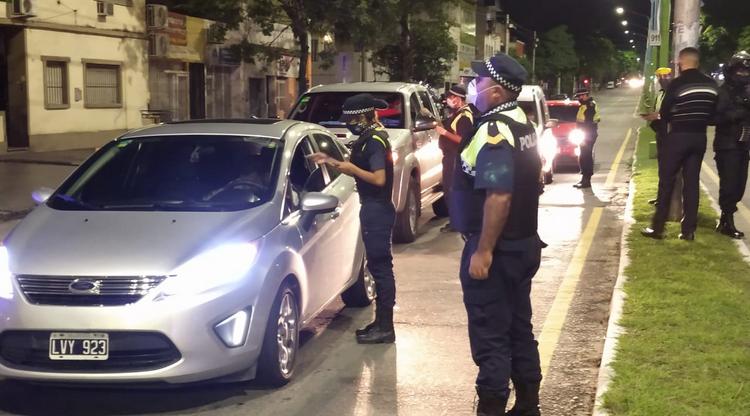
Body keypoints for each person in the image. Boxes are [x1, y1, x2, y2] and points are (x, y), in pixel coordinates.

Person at [452, 53, 544, 416]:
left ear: (495, 91)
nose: (473, 87)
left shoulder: (494, 131)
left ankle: (491, 406)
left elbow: (499, 194)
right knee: (519, 327)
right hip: (523, 244)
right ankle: (528, 405)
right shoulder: (522, 123)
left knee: (491, 334)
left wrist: (484, 250)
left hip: (498, 250)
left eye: (479, 82)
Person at [311, 94, 397, 344]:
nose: (348, 124)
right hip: (372, 208)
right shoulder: (368, 139)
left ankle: (386, 327)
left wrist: (352, 169)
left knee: (381, 269)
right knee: (377, 267)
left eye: (351, 119)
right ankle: (380, 323)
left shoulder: (375, 142)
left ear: (362, 117)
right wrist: (330, 161)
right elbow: (357, 170)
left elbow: (378, 179)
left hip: (377, 210)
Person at [642, 47, 719, 241]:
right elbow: (714, 114)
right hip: (699, 138)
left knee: (667, 181)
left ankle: (658, 228)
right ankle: (688, 231)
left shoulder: (677, 83)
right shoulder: (711, 84)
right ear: (697, 62)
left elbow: (665, 112)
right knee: (691, 183)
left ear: (681, 62)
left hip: (678, 137)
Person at [713, 51, 750, 239]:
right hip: (727, 146)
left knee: (739, 185)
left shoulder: (746, 91)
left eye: (746, 71)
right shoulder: (723, 92)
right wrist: (735, 115)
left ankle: (725, 219)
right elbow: (713, 117)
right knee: (729, 185)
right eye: (740, 71)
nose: (744, 74)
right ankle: (727, 221)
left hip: (743, 145)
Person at [435, 84, 475, 233]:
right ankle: (456, 221)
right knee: (451, 189)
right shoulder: (459, 113)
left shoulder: (464, 116)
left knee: (452, 189)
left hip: (455, 157)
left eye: (452, 97)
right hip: (452, 157)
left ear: (459, 99)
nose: (449, 100)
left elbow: (462, 139)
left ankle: (456, 223)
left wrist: (444, 133)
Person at [642, 67, 674, 205]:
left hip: (670, 135)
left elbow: (670, 112)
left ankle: (667, 199)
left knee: (668, 168)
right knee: (662, 168)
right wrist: (650, 115)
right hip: (661, 133)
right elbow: (657, 110)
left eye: (664, 77)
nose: (661, 80)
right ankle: (661, 197)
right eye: (660, 77)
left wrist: (657, 116)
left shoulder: (673, 94)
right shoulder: (660, 94)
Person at [573, 88, 601, 189]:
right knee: (583, 156)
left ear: (585, 95)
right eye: (578, 97)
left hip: (588, 134)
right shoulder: (584, 105)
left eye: (580, 96)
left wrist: (584, 138)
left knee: (586, 157)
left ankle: (586, 180)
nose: (579, 98)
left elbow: (588, 123)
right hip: (585, 134)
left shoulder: (590, 105)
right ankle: (584, 179)